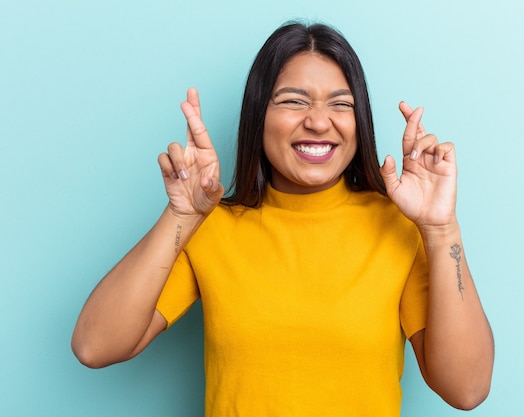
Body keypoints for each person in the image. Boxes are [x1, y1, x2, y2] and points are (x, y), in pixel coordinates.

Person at [72, 21, 494, 416]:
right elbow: (95, 345)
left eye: (340, 104)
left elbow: (466, 389)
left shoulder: (398, 228)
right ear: (259, 116)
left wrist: (441, 230)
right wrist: (181, 214)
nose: (317, 120)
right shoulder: (211, 227)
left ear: (358, 120)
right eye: (294, 101)